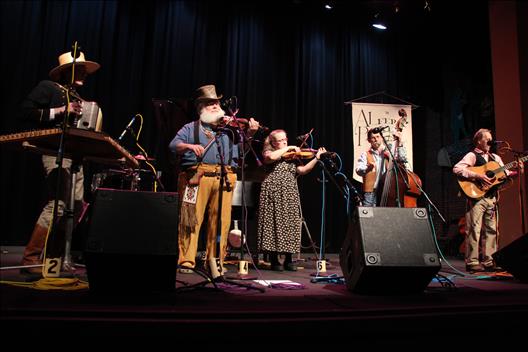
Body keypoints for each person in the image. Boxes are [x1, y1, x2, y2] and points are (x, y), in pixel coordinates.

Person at [19, 51, 100, 276]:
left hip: (75, 155)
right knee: (59, 203)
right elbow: (25, 111)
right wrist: (61, 111)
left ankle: (53, 258)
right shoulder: (49, 87)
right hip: (55, 151)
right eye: (80, 68)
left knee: (77, 204)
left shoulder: (76, 95)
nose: (85, 73)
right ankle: (31, 256)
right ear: (67, 71)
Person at [169, 84, 259, 274]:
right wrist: (189, 146)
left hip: (224, 178)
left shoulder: (229, 130)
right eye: (210, 103)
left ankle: (216, 260)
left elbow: (241, 152)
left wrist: (249, 134)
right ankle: (186, 260)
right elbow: (173, 145)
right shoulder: (191, 127)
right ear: (201, 107)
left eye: (217, 103)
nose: (215, 106)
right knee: (190, 219)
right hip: (196, 177)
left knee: (220, 222)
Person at [453, 128, 522, 273]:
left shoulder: (496, 158)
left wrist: (518, 171)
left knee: (492, 231)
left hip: (491, 198)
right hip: (476, 197)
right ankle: (472, 262)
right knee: (474, 230)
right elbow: (457, 169)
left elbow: (506, 174)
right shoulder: (471, 155)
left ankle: (489, 261)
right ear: (479, 141)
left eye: (491, 139)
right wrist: (478, 176)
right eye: (487, 139)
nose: (490, 142)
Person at [257, 129, 326, 271]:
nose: (284, 142)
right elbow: (271, 158)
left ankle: (289, 259)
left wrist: (316, 158)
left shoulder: (292, 156)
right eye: (280, 140)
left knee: (290, 223)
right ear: (273, 143)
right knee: (274, 223)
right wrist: (288, 148)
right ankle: (275, 259)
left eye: (285, 140)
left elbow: (302, 170)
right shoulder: (268, 152)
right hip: (273, 191)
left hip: (289, 192)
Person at [355, 127, 406, 206]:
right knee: (369, 216)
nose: (376, 139)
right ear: (369, 140)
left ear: (382, 138)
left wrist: (400, 143)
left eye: (378, 137)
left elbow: (402, 159)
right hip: (370, 192)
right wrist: (368, 168)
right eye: (373, 137)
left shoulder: (389, 152)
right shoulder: (365, 154)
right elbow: (358, 171)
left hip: (386, 191)